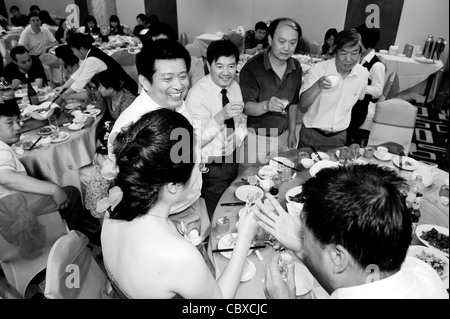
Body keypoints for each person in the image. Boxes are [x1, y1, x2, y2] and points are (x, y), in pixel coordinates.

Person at [101, 109, 259, 298]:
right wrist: (245, 237)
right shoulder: (178, 256)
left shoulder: (112, 212)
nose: (200, 168)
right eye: (197, 164)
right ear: (174, 186)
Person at [254, 164, 448, 299]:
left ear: (338, 256)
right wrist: (304, 250)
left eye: (305, 234)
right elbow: (346, 283)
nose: (303, 237)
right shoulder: (421, 271)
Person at [106, 38, 209, 241]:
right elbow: (130, 187)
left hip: (191, 201)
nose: (179, 85)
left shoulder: (176, 103)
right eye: (168, 78)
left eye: (182, 76)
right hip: (166, 219)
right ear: (145, 81)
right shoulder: (132, 126)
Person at [0, 102, 84, 234]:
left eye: (18, 121)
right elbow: (5, 177)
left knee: (47, 183)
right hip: (12, 211)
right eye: (9, 123)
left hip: (8, 206)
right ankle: (75, 241)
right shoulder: (1, 149)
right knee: (71, 193)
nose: (17, 127)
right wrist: (54, 190)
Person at [186, 39, 247, 218]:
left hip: (233, 161)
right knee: (221, 215)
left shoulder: (235, 87)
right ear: (208, 64)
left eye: (231, 66)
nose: (226, 72)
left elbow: (242, 120)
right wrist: (220, 116)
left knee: (235, 207)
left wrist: (238, 137)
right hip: (210, 166)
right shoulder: (197, 95)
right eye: (219, 66)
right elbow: (195, 141)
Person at [239, 17, 302, 165]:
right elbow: (247, 107)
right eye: (281, 41)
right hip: (257, 138)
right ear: (270, 38)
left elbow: (294, 103)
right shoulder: (252, 68)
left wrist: (292, 131)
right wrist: (266, 105)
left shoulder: (296, 67)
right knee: (251, 180)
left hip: (283, 135)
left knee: (279, 178)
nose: (287, 48)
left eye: (292, 43)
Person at [298, 28, 369, 148]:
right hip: (312, 133)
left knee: (332, 167)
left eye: (354, 53)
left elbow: (360, 97)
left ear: (360, 54)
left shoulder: (363, 74)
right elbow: (304, 103)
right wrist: (318, 85)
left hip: (339, 137)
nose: (348, 59)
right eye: (343, 53)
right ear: (334, 51)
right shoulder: (319, 69)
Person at [60, 33, 138, 98]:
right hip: (119, 89)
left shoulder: (92, 59)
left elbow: (81, 82)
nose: (74, 54)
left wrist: (64, 94)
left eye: (74, 51)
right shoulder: (90, 53)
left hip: (126, 92)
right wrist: (62, 89)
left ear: (81, 49)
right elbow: (78, 74)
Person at [346, 24, 385, 145]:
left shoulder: (377, 65)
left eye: (358, 40)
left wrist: (358, 86)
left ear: (366, 41)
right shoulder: (360, 57)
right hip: (351, 105)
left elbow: (377, 91)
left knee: (347, 136)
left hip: (358, 110)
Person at [146, 22, 205, 89]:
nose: (160, 49)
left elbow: (199, 93)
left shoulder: (194, 63)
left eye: (164, 43)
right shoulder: (148, 65)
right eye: (155, 45)